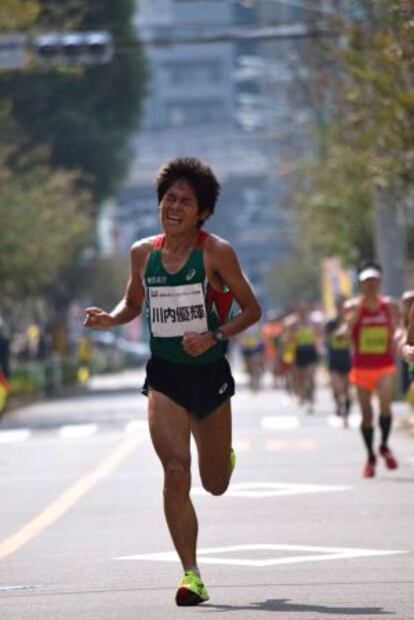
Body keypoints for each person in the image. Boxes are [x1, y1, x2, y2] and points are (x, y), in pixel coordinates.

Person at [84, 157, 261, 606]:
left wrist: (215, 335)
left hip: (210, 374)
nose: (174, 206)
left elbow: (252, 310)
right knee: (175, 471)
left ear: (202, 212)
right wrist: (111, 319)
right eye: (168, 198)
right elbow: (132, 303)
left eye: (185, 201)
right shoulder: (143, 253)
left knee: (214, 481)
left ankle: (224, 457)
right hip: (164, 375)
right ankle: (191, 574)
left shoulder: (216, 252)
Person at [339, 261, 400, 478]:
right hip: (361, 367)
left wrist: (398, 339)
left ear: (380, 282)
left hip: (384, 364)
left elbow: (400, 328)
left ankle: (384, 445)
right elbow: (344, 329)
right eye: (366, 282)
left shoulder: (390, 306)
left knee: (385, 403)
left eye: (374, 281)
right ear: (361, 284)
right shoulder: (353, 307)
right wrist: (345, 330)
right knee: (366, 415)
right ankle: (371, 456)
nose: (371, 285)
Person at [284, 300, 322, 413]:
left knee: (310, 376)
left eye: (304, 310)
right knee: (299, 377)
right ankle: (302, 394)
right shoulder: (292, 323)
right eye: (300, 310)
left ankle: (310, 397)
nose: (302, 312)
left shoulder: (313, 322)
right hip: (297, 352)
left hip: (310, 351)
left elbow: (318, 337)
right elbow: (287, 339)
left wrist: (319, 349)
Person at [325, 296, 352, 425]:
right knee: (337, 386)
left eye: (343, 304)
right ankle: (338, 405)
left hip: (347, 358)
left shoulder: (351, 321)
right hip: (334, 358)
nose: (341, 307)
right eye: (338, 305)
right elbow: (326, 340)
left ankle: (346, 412)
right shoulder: (330, 323)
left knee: (346, 389)